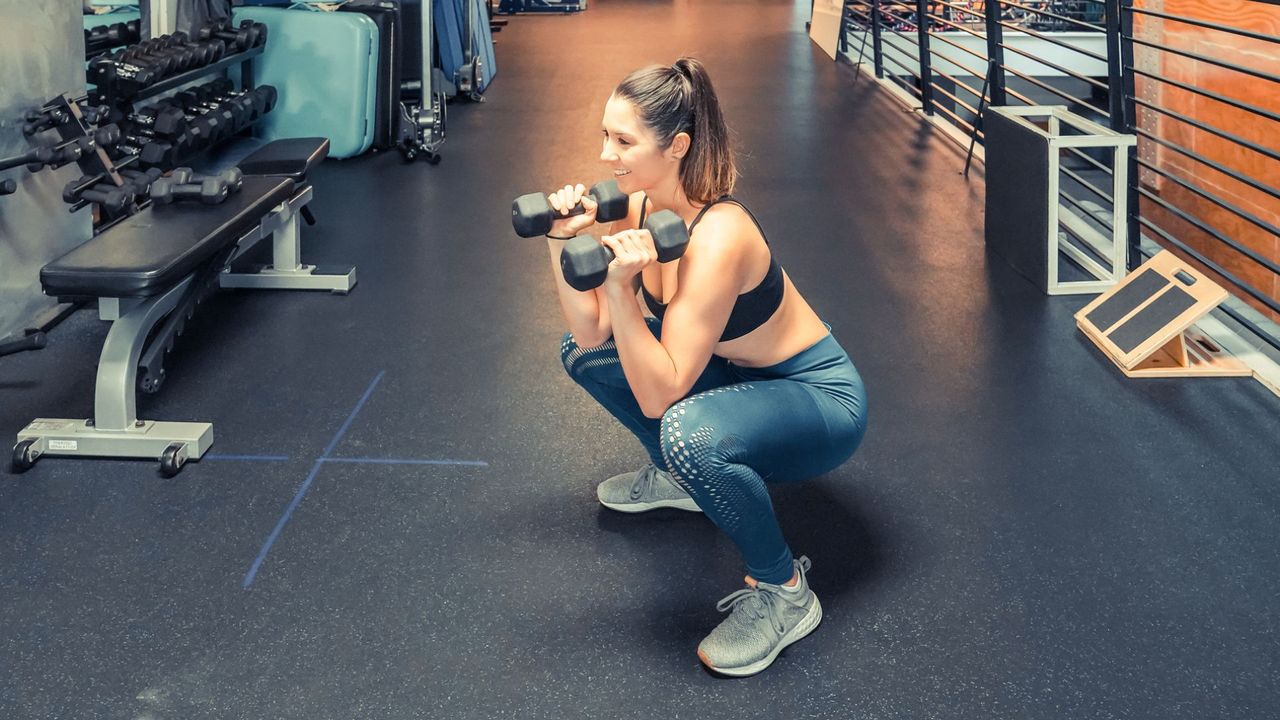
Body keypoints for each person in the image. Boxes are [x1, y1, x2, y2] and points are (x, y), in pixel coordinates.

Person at [542, 57, 868, 677]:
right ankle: (679, 479)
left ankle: (785, 593)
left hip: (815, 400)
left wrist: (618, 288)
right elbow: (590, 334)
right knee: (580, 354)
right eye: (605, 135)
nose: (605, 154)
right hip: (742, 382)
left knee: (686, 431)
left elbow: (662, 395)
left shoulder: (721, 234)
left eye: (623, 140)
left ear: (678, 146)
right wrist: (562, 237)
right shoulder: (635, 207)